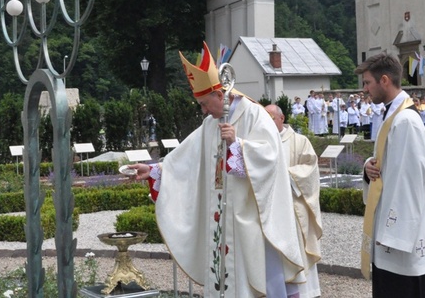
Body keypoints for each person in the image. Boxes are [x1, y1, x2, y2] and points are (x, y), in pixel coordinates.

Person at [129, 42, 304, 297]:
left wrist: (238, 144)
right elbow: (186, 157)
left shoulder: (254, 115)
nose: (202, 110)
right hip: (220, 219)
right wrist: (156, 170)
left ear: (220, 95)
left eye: (203, 103)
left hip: (249, 221)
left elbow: (272, 157)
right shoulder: (211, 123)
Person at [357, 53, 425, 297]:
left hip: (401, 237)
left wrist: (394, 233)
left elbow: (410, 181)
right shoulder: (393, 115)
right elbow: (389, 164)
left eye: (367, 83)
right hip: (389, 230)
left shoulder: (406, 120)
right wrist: (368, 167)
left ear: (384, 80)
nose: (365, 89)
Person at [265, 104, 322, 298]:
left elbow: (310, 169)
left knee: (296, 254)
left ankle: (303, 293)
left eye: (271, 117)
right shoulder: (260, 142)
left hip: (292, 208)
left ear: (281, 118)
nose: (267, 121)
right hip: (269, 210)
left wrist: (283, 176)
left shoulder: (299, 141)